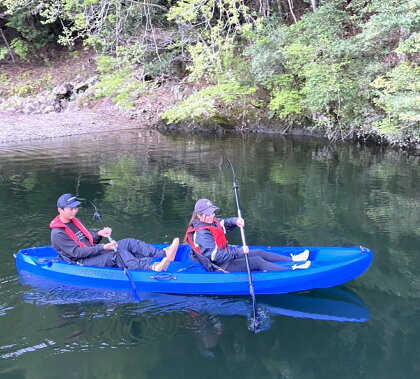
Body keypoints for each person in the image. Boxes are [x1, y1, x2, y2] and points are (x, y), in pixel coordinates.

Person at [50, 193, 179, 272]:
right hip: (82, 261)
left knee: (128, 242)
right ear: (60, 210)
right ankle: (151, 267)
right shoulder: (58, 234)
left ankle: (164, 253)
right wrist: (103, 247)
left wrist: (99, 234)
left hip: (92, 252)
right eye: (71, 209)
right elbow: (77, 252)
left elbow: (88, 241)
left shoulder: (73, 221)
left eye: (76, 207)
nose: (75, 211)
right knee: (117, 253)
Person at [185, 198, 311, 272]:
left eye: (212, 212)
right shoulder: (202, 234)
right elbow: (216, 257)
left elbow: (224, 224)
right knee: (257, 261)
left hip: (228, 256)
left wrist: (235, 221)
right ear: (199, 215)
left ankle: (293, 259)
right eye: (209, 213)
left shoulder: (210, 221)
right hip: (221, 265)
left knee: (259, 252)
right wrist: (238, 252)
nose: (212, 215)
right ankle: (291, 271)